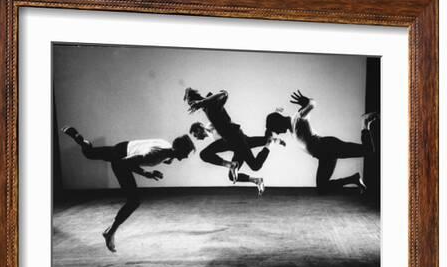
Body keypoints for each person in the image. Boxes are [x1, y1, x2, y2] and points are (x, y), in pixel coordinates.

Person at [61, 126, 195, 252]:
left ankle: (82, 141)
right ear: (177, 150)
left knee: (89, 153)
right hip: (121, 159)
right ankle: (110, 232)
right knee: (134, 201)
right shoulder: (153, 155)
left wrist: (170, 158)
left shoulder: (166, 145)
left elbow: (167, 154)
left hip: (123, 146)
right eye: (186, 153)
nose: (186, 156)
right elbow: (124, 162)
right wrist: (147, 174)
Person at [264, 90, 377, 194]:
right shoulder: (291, 128)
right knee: (322, 188)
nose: (277, 133)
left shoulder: (297, 118)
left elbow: (312, 105)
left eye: (276, 129)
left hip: (329, 146)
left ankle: (365, 122)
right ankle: (354, 179)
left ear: (278, 123)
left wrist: (308, 101)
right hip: (323, 156)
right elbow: (276, 116)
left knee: (368, 151)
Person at [184, 88, 275, 190]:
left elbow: (224, 94)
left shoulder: (211, 106)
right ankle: (255, 179)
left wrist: (201, 102)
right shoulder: (206, 108)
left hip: (235, 138)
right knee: (231, 175)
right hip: (233, 142)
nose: (191, 107)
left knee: (255, 166)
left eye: (190, 103)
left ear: (194, 100)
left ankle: (269, 142)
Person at [190, 121, 284, 196]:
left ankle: (269, 144)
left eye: (195, 135)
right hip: (238, 146)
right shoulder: (211, 135)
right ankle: (257, 180)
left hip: (238, 141)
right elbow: (250, 141)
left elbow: (221, 123)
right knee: (232, 176)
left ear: (199, 129)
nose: (197, 138)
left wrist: (206, 127)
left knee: (255, 166)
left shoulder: (210, 126)